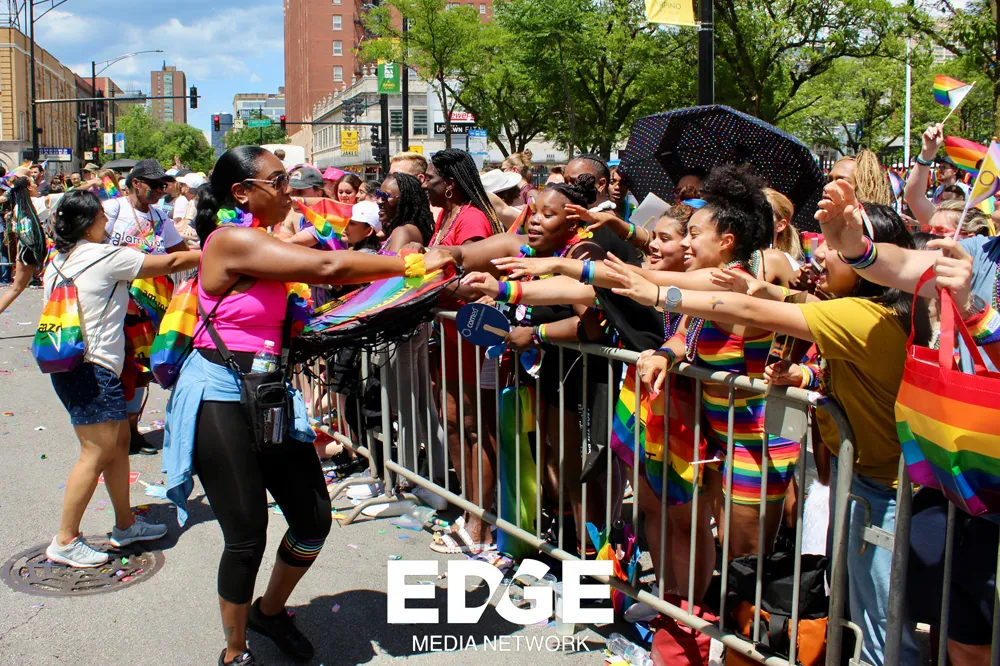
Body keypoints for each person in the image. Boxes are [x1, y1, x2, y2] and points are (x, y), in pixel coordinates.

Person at [607, 196, 928, 666]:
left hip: (876, 481)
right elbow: (785, 311)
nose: (820, 254)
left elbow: (753, 310)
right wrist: (804, 373)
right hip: (860, 474)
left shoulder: (862, 315)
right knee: (859, 607)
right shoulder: (852, 306)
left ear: (872, 261)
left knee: (878, 622)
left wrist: (656, 293)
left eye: (837, 247)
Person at [165, 146, 453, 666]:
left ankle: (269, 612)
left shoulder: (266, 239)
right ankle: (235, 651)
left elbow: (324, 273)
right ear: (241, 193)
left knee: (312, 519)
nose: (290, 191)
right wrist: (411, 264)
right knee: (246, 535)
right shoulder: (230, 240)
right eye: (278, 181)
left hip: (269, 391)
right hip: (218, 393)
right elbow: (327, 264)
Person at [43, 190, 201, 568]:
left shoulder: (58, 260)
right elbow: (172, 260)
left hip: (78, 368)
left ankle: (125, 524)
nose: (108, 223)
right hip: (92, 370)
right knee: (96, 453)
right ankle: (65, 539)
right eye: (102, 217)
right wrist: (218, 250)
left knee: (117, 446)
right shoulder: (104, 256)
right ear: (87, 224)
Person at [104, 159, 188, 455]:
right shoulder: (112, 210)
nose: (160, 189)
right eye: (154, 184)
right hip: (111, 303)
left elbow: (181, 254)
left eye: (163, 184)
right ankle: (109, 432)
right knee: (114, 366)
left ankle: (130, 431)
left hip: (147, 308)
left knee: (139, 368)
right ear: (136, 183)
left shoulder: (161, 218)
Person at [0, 178, 47, 316]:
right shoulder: (41, 202)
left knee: (16, 288)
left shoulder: (18, 207)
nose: (36, 185)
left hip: (24, 248)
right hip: (36, 249)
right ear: (29, 188)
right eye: (33, 183)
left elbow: (15, 228)